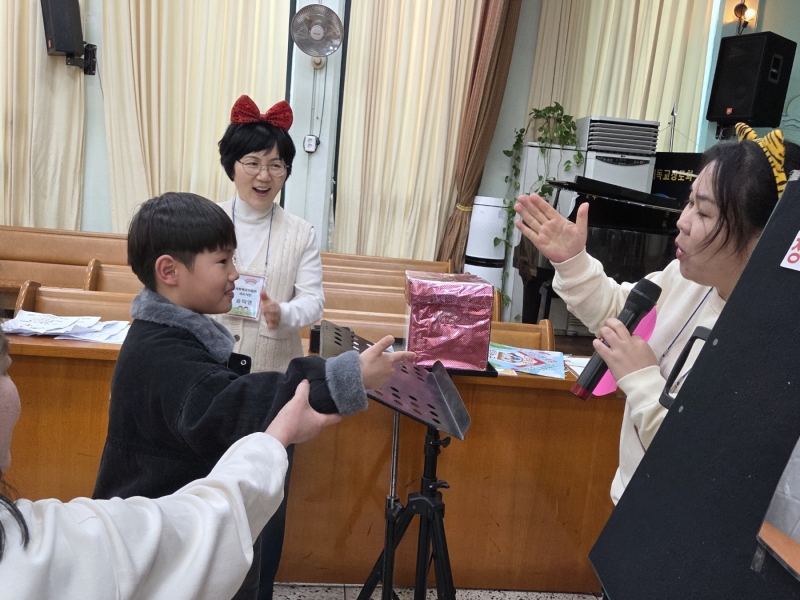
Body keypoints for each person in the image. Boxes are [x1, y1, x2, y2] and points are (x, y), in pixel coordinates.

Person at [92, 192, 414, 600]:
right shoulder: (162, 354)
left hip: (174, 537)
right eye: (223, 262)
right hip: (164, 547)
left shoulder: (166, 336)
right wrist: (349, 375)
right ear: (169, 271)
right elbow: (240, 405)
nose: (235, 274)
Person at [515, 123, 800, 506]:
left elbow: (698, 457)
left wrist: (642, 378)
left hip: (679, 521)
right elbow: (621, 317)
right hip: (631, 500)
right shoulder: (686, 279)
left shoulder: (774, 343)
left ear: (766, 237)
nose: (682, 220)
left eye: (704, 211)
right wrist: (572, 262)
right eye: (689, 202)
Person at [0, 326, 342, 599]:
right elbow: (191, 534)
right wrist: (278, 434)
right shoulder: (39, 550)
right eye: (5, 371)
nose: (234, 276)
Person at [216, 94, 323, 374]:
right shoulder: (207, 220)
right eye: (252, 163)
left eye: (275, 165)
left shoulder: (302, 233)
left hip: (274, 375)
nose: (264, 176)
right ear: (231, 165)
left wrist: (283, 313)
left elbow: (313, 301)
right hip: (211, 368)